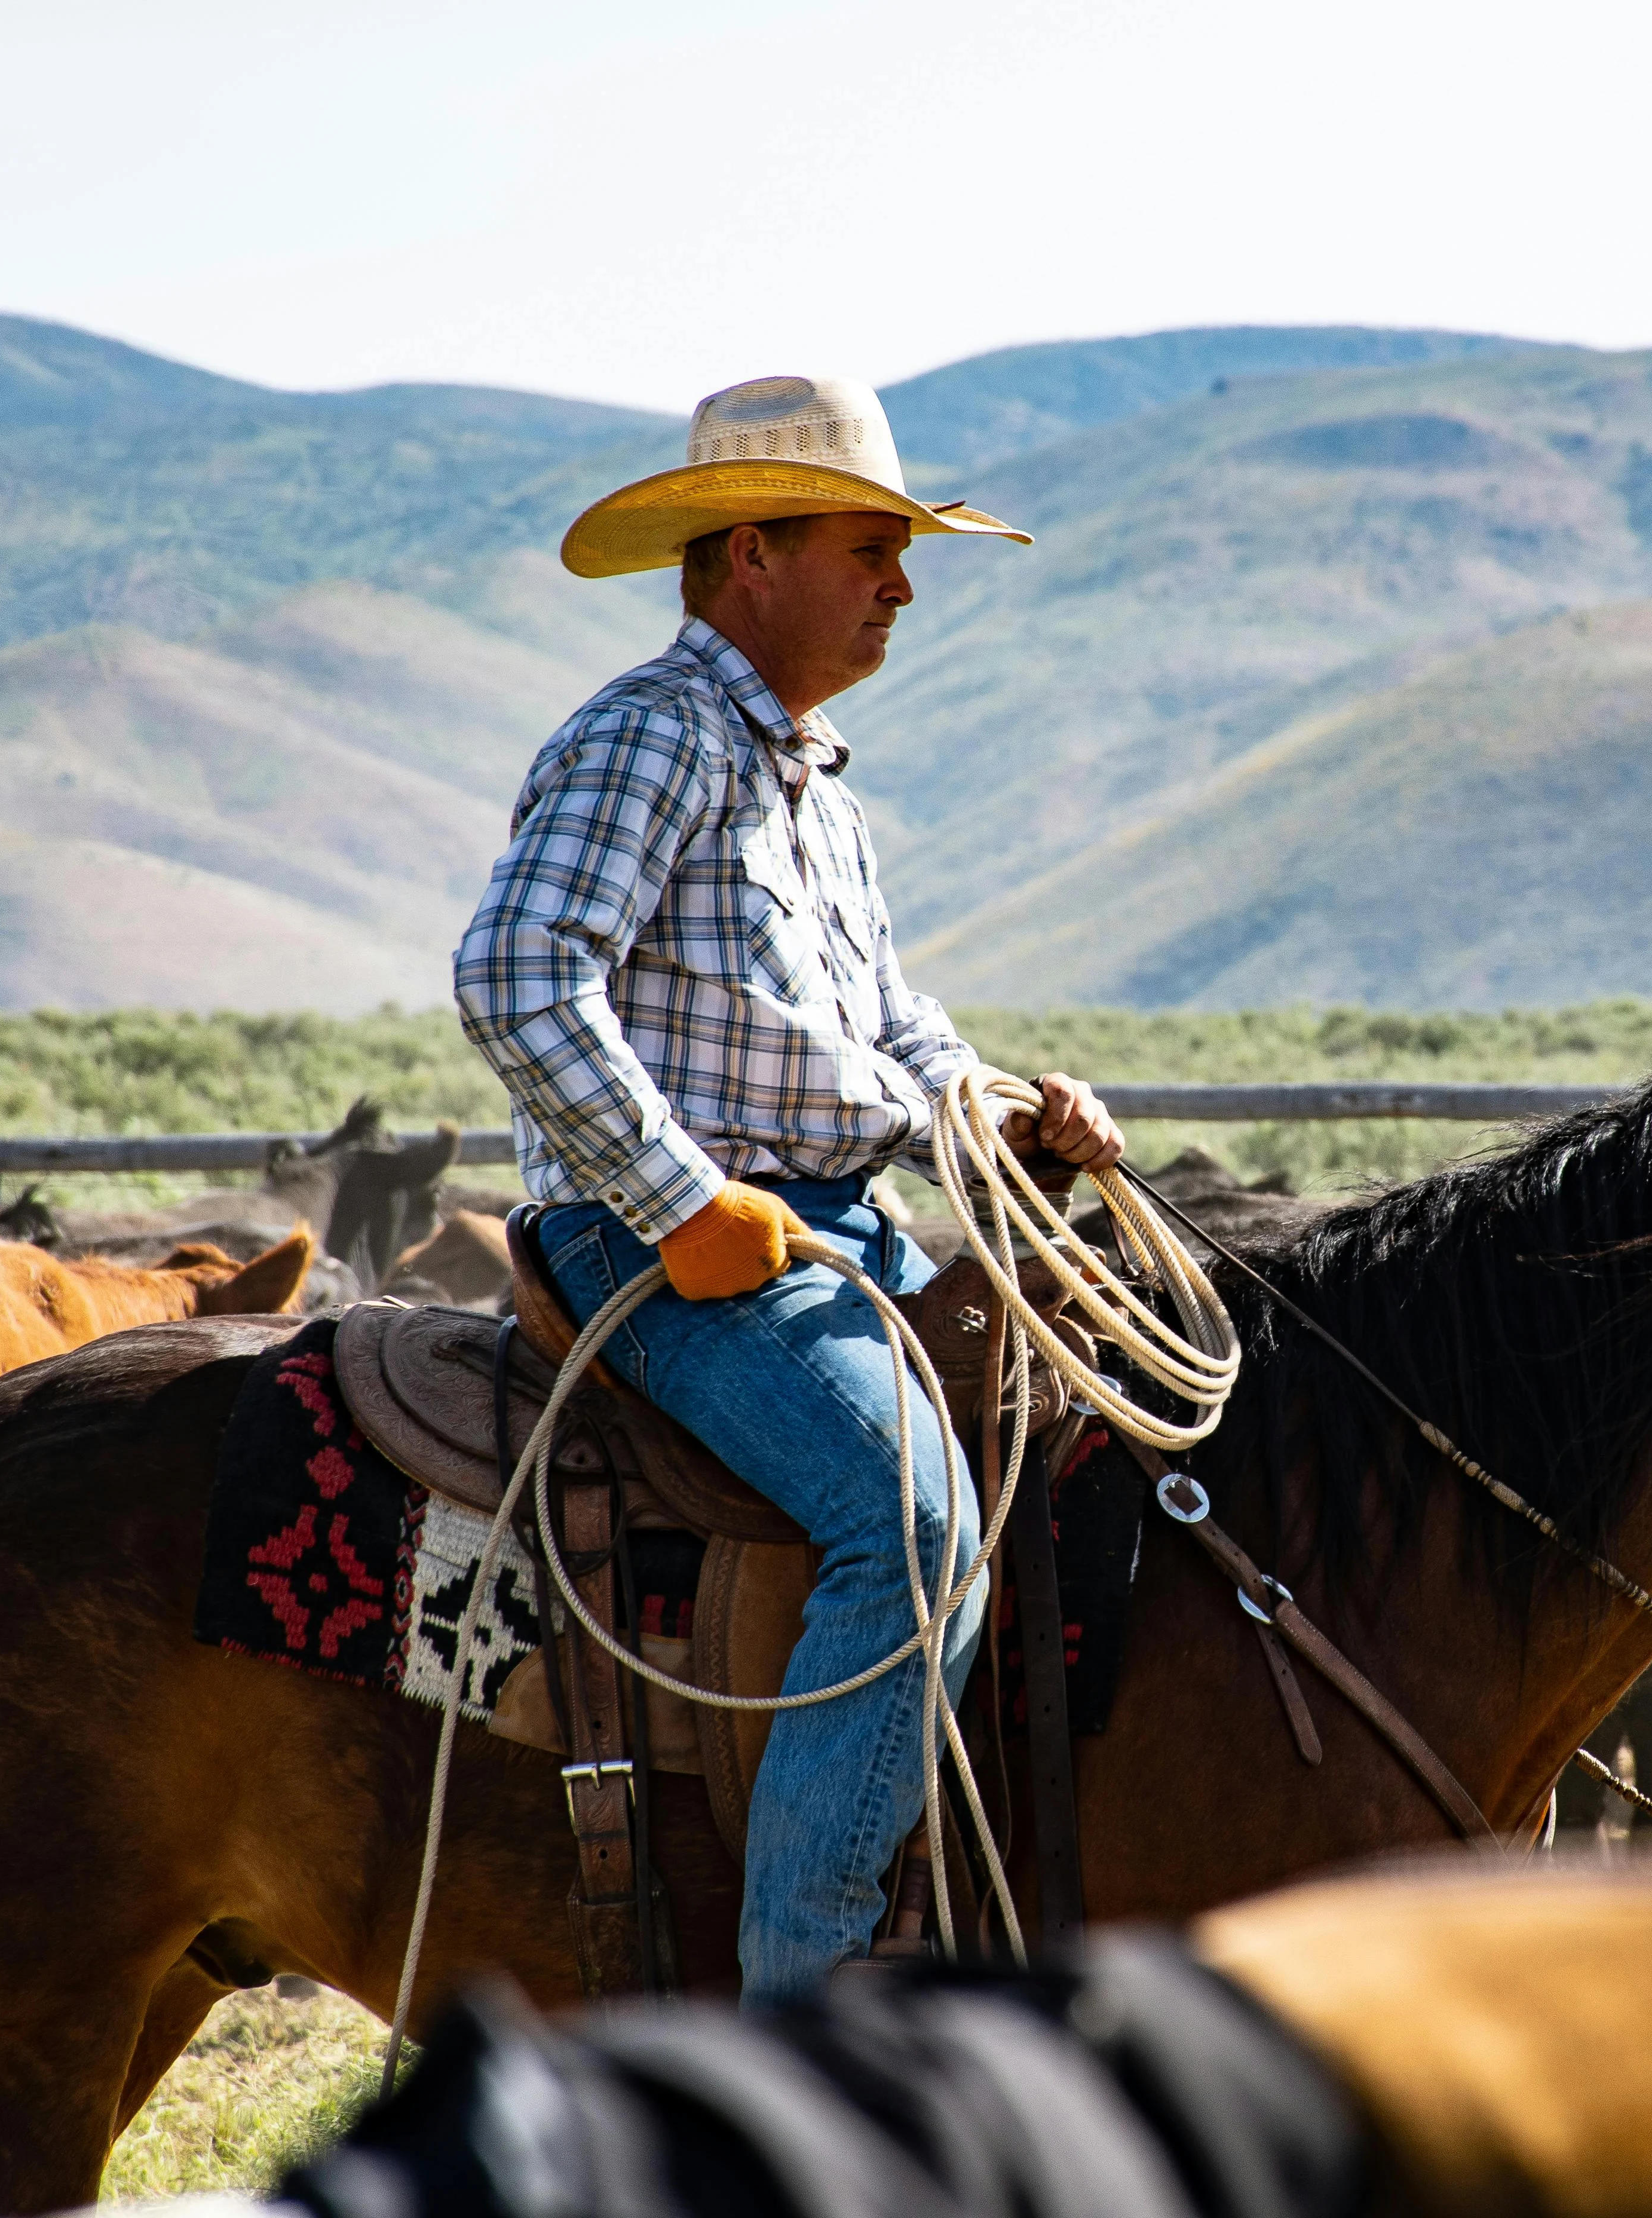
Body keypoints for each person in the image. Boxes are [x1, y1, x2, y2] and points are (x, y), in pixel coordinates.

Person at [453, 372, 1126, 2005]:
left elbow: (894, 1026)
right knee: (908, 1531)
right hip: (658, 1246)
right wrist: (680, 1201)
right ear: (752, 553)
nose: (903, 582)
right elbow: (517, 974)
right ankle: (802, 2015)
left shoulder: (820, 786)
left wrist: (1002, 1110)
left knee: (1090, 1446)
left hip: (830, 1229)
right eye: (873, 545)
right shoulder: (649, 737)